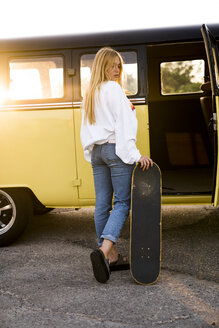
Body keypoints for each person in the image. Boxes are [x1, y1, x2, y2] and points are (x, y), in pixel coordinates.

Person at [80, 47, 153, 283]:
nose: (116, 70)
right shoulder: (113, 89)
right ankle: (103, 250)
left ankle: (111, 256)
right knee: (122, 202)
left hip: (98, 152)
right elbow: (124, 125)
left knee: (102, 203)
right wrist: (135, 155)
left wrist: (91, 152)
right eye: (112, 65)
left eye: (119, 66)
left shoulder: (90, 93)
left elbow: (86, 129)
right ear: (102, 66)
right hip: (115, 149)